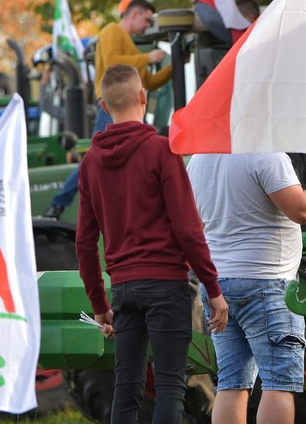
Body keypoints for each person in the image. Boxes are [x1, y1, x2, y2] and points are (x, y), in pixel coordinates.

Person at [76, 64, 228, 424]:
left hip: (124, 290)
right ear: (144, 97)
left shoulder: (90, 162)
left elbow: (84, 242)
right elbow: (188, 227)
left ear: (103, 105)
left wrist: (100, 303)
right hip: (165, 286)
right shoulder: (162, 151)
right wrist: (212, 287)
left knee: (125, 388)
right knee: (170, 386)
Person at [187, 148, 306, 424]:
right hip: (267, 283)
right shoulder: (264, 156)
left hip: (218, 285)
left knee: (231, 382)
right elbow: (302, 209)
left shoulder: (199, 161)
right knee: (279, 382)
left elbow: (196, 222)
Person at [43, 0, 171, 219]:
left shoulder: (130, 45)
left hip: (131, 113)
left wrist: (175, 65)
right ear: (134, 14)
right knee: (95, 160)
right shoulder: (111, 31)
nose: (148, 26)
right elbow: (113, 63)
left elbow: (149, 81)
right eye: (147, 20)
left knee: (147, 158)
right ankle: (57, 206)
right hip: (113, 109)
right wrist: (147, 57)